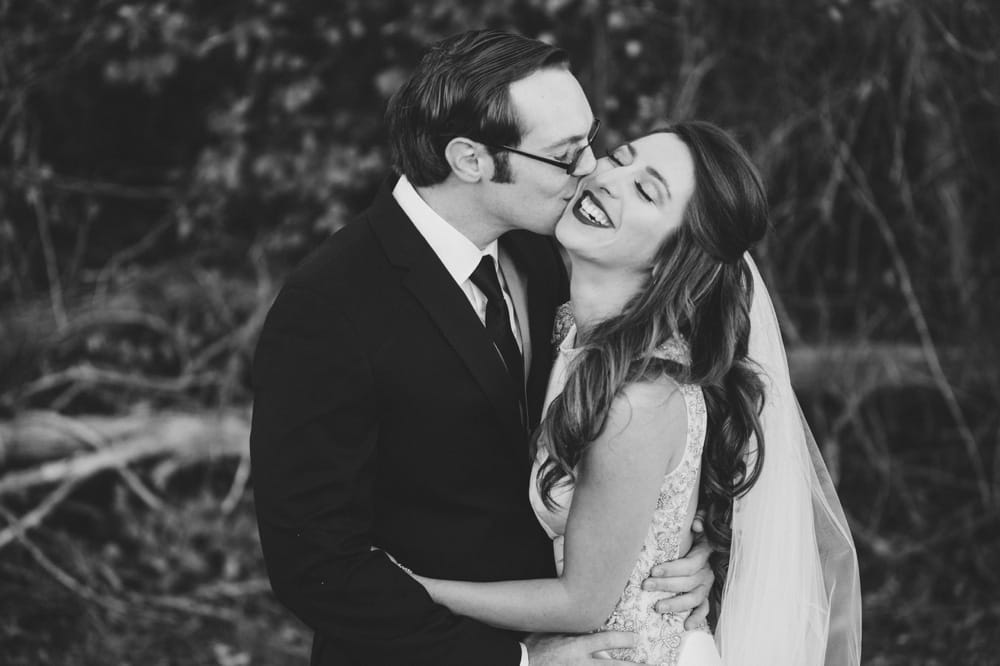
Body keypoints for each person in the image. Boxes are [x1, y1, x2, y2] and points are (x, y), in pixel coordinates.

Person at [249, 30, 714, 666]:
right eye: (565, 154)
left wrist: (687, 551)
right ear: (471, 159)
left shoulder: (555, 253)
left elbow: (657, 436)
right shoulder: (331, 306)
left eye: (591, 140)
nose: (590, 171)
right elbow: (315, 564)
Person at [397, 122, 863, 664]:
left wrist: (414, 590)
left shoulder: (637, 400)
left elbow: (582, 604)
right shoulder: (565, 325)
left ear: (673, 258)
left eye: (646, 191)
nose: (609, 179)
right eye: (619, 159)